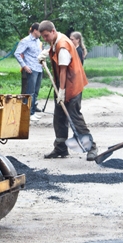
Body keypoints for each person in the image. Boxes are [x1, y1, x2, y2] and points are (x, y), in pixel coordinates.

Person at [37, 21, 98, 161]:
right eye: (43, 37)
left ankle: (92, 148)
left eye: (46, 36)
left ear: (53, 31)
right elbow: (53, 49)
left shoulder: (63, 45)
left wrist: (62, 92)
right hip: (62, 84)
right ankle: (61, 148)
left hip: (71, 85)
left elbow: (63, 71)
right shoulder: (56, 39)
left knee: (74, 117)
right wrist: (45, 53)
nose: (45, 39)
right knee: (59, 117)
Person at [15, 23, 44, 120]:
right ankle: (28, 113)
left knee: (36, 91)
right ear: (35, 30)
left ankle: (32, 111)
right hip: (31, 69)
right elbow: (17, 53)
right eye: (40, 31)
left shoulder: (38, 41)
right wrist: (24, 66)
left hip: (39, 68)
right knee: (30, 92)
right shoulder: (26, 40)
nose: (41, 33)